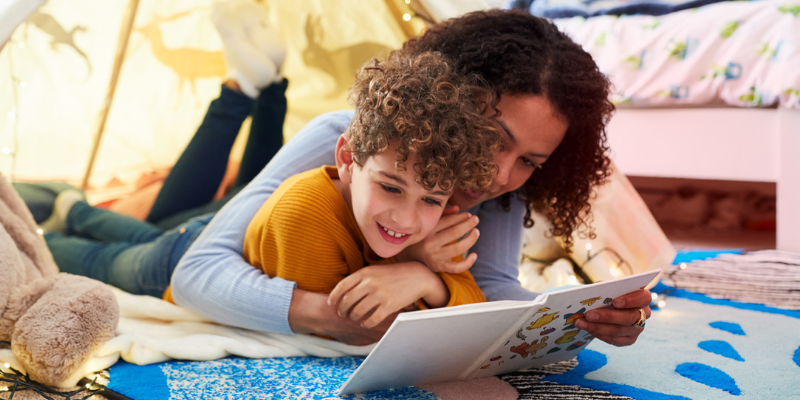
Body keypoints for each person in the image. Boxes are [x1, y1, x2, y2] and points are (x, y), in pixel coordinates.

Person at [43, 6, 652, 347]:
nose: (496, 174)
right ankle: (61, 213)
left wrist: (581, 319)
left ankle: (74, 205)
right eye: (495, 140)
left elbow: (490, 289)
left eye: (530, 163)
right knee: (67, 253)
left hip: (223, 231)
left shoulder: (492, 195)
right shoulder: (347, 132)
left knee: (117, 220)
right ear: (454, 93)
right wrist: (325, 314)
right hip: (182, 252)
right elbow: (198, 272)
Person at [233, 50, 495, 329]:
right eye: (390, 188)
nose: (405, 220)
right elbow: (356, 327)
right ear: (348, 159)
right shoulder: (304, 212)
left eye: (431, 200)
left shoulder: (426, 224)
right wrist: (409, 259)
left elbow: (476, 321)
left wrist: (425, 280)